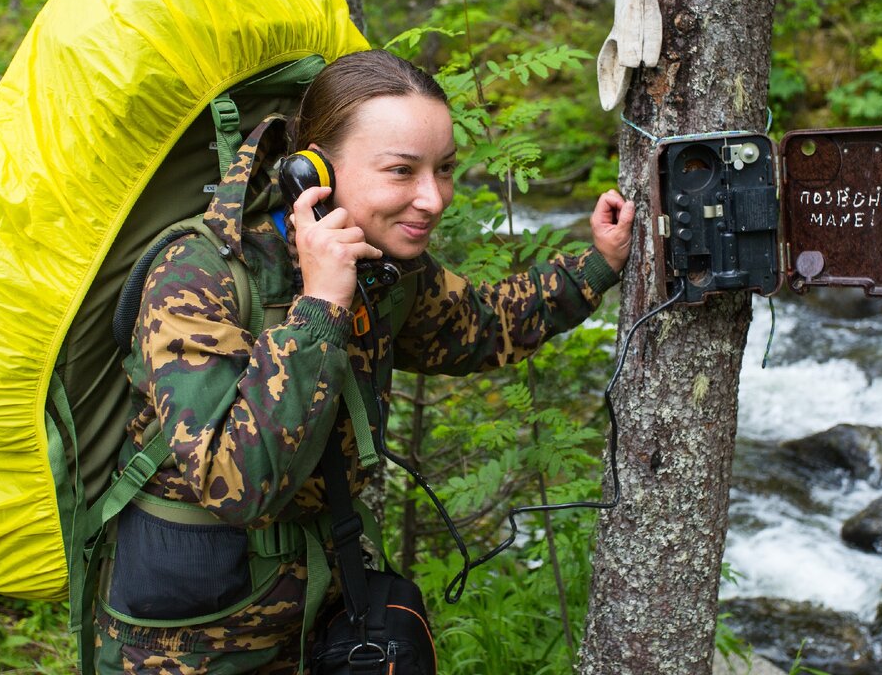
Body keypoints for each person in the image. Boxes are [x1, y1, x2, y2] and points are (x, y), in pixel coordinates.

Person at [94, 49, 635, 673]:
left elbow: (478, 327)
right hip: (186, 642)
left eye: (444, 168)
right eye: (401, 171)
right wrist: (321, 306)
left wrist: (598, 265)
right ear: (313, 170)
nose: (432, 198)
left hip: (317, 618)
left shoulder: (383, 268)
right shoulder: (202, 274)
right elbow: (232, 480)